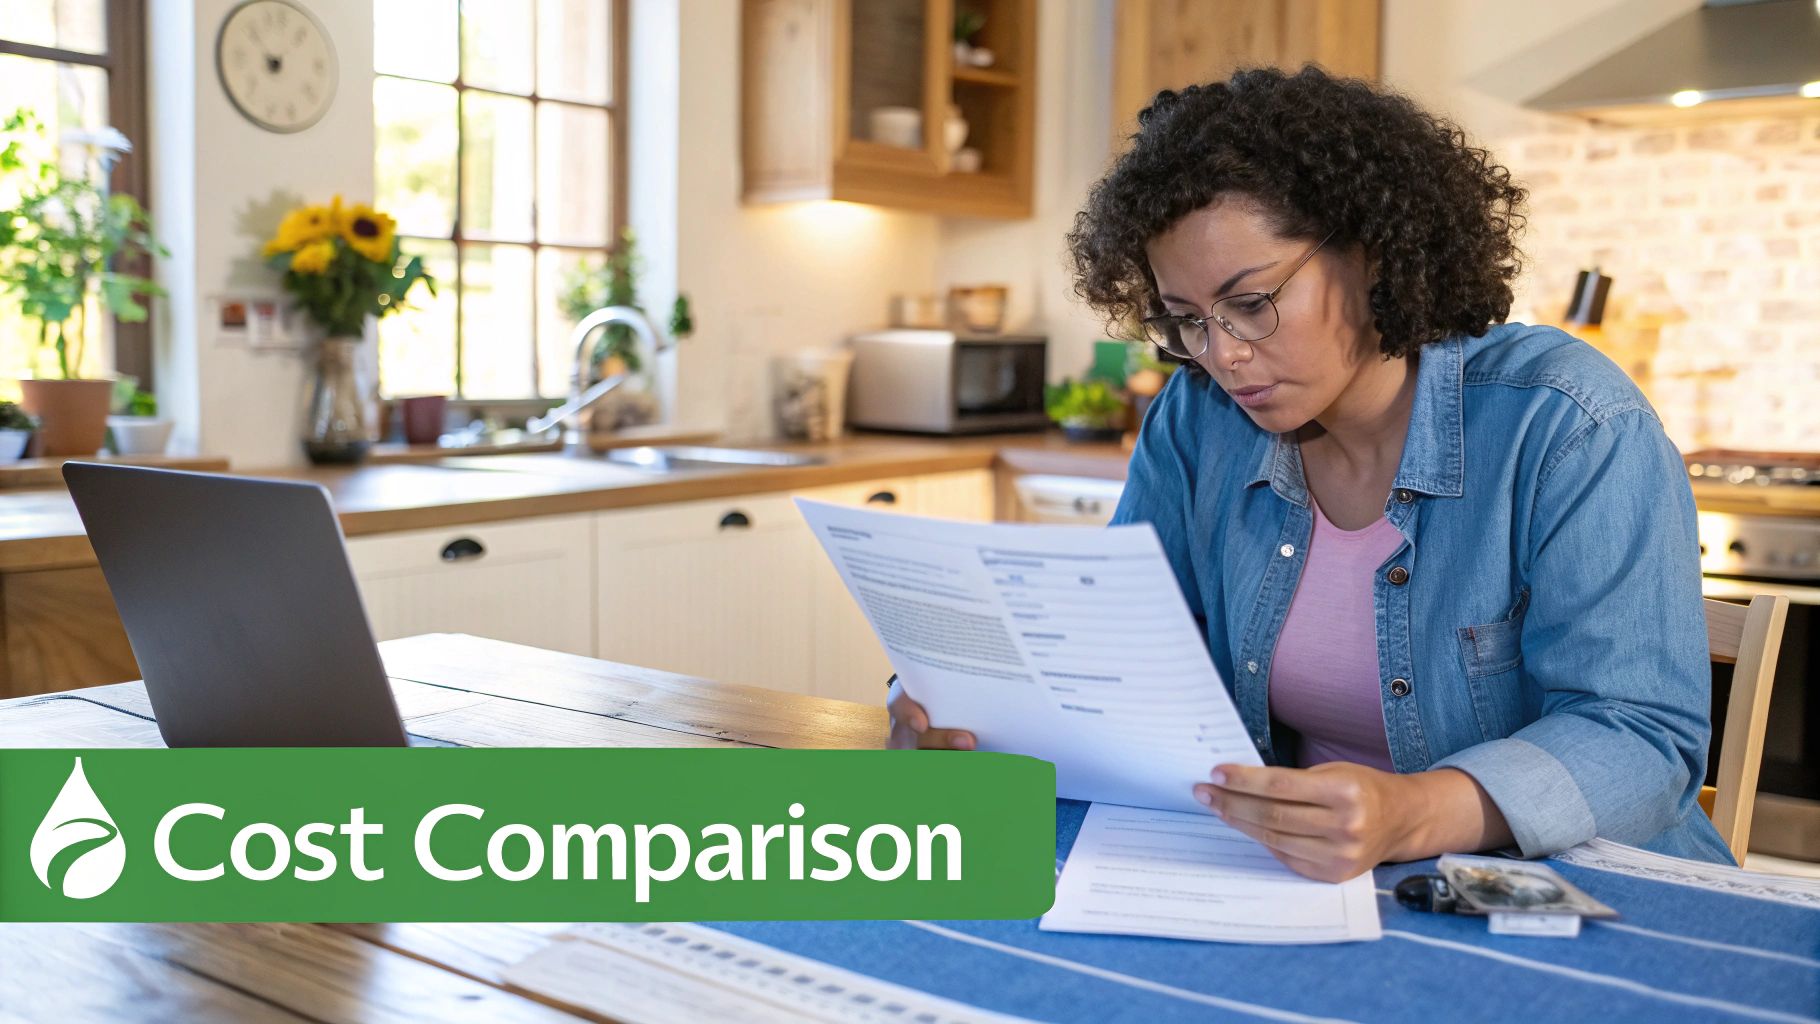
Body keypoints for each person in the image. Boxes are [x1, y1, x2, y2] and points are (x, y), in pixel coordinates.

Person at [886, 65, 1732, 881]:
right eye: (1187, 321)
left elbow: (1641, 736)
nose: (1222, 355)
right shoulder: (1195, 423)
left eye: (1251, 304)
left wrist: (1412, 812)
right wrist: (958, 701)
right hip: (1296, 884)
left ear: (1371, 253)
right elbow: (1120, 647)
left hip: (1591, 899)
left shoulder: (1567, 425)